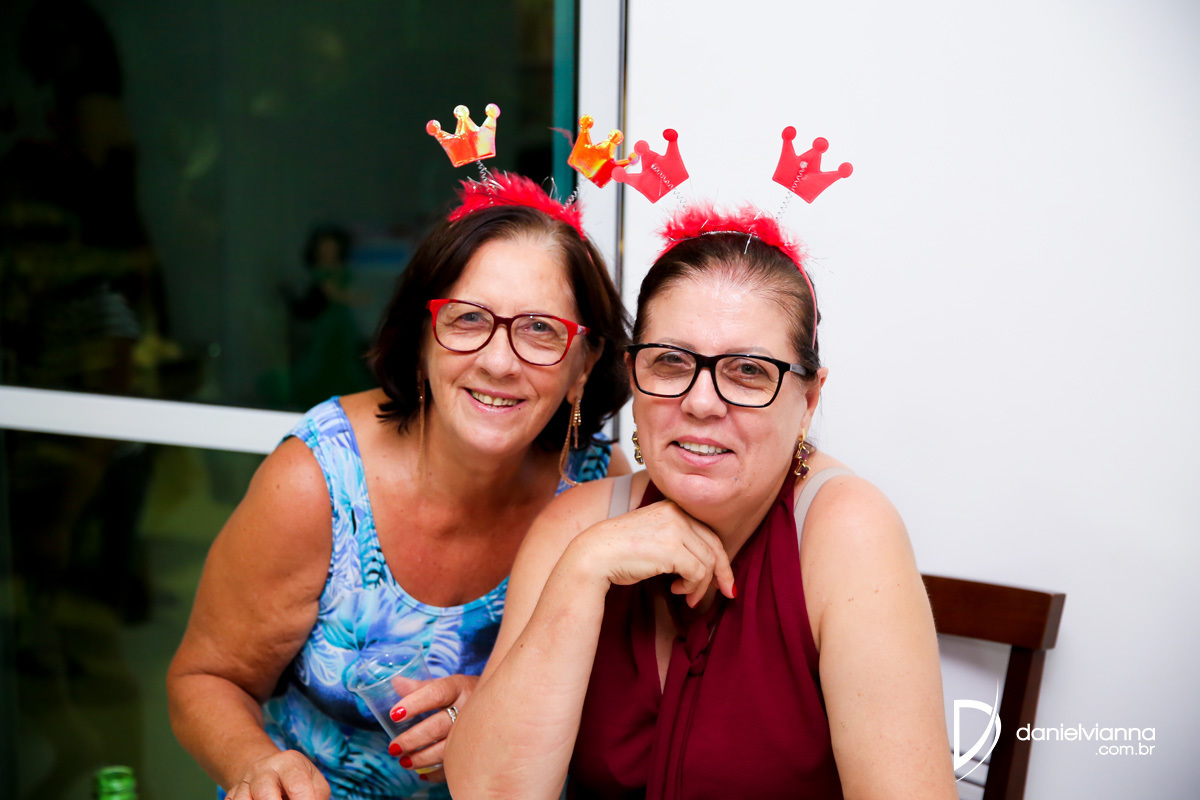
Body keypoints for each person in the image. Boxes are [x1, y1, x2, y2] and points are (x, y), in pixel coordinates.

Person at [445, 205, 958, 799]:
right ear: (633, 377)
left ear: (809, 400)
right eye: (671, 362)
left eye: (747, 370)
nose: (702, 402)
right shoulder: (577, 522)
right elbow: (486, 794)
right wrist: (582, 570)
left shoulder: (847, 531)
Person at [167, 173, 632, 800]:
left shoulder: (598, 492)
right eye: (468, 319)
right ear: (421, 339)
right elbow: (205, 679)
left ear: (583, 365)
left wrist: (494, 706)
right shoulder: (319, 483)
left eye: (540, 330)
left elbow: (624, 705)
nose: (499, 361)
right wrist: (256, 765)